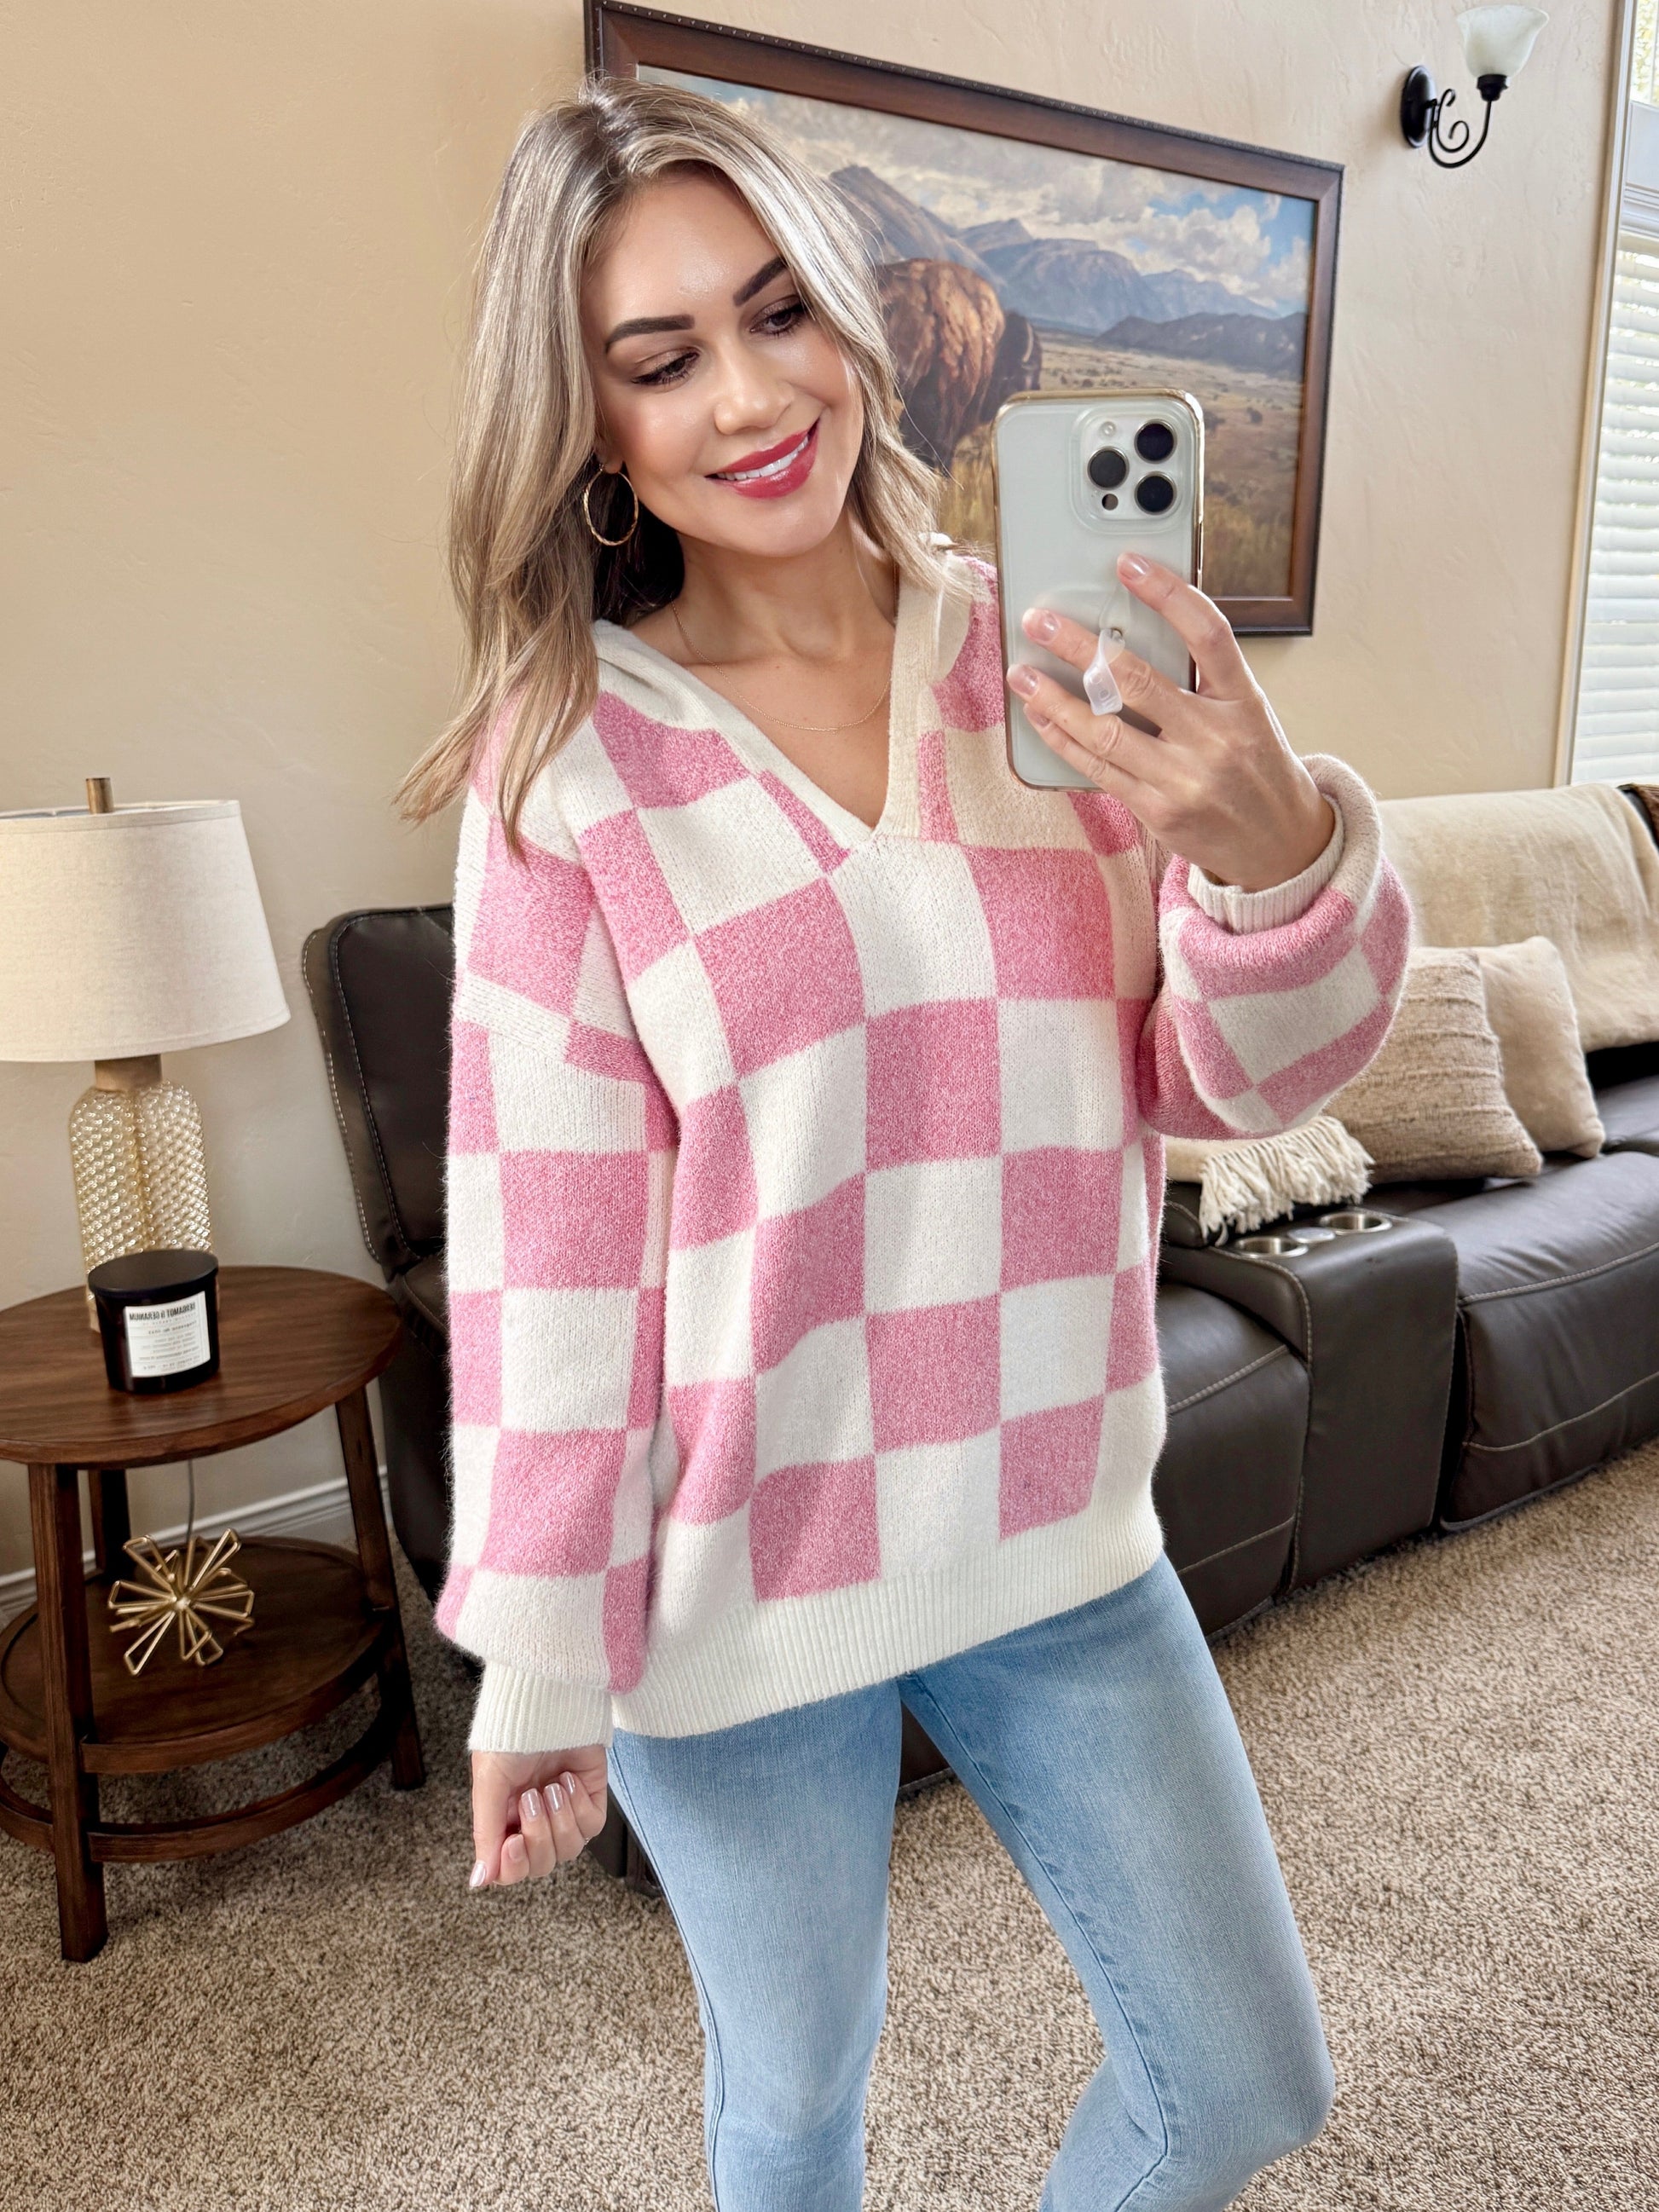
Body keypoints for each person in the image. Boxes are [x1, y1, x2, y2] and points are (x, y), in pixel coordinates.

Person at [399, 76, 1409, 2212]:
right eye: (662, 356)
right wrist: (543, 1660)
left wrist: (1271, 848)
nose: (751, 396)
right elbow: (553, 1254)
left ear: (853, 320)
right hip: (733, 1584)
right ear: (591, 426)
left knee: (1242, 2077)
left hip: (1053, 1517)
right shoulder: (566, 768)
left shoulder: (1052, 664)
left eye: (780, 312)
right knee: (792, 2104)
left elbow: (1229, 1085)